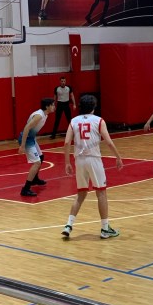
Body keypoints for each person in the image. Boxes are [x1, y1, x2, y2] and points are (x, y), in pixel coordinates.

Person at [62, 93, 123, 240]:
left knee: (81, 193)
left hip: (79, 160)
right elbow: (108, 142)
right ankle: (105, 229)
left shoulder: (73, 121)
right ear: (94, 107)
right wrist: (118, 156)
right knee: (101, 193)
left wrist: (67, 162)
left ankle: (68, 225)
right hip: (94, 159)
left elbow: (66, 142)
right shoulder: (99, 120)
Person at [18, 98, 55, 195]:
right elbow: (26, 128)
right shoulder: (39, 116)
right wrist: (22, 145)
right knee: (37, 163)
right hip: (27, 140)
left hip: (31, 138)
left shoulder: (44, 115)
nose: (54, 107)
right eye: (52, 105)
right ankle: (25, 189)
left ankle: (35, 179)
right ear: (47, 106)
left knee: (41, 157)